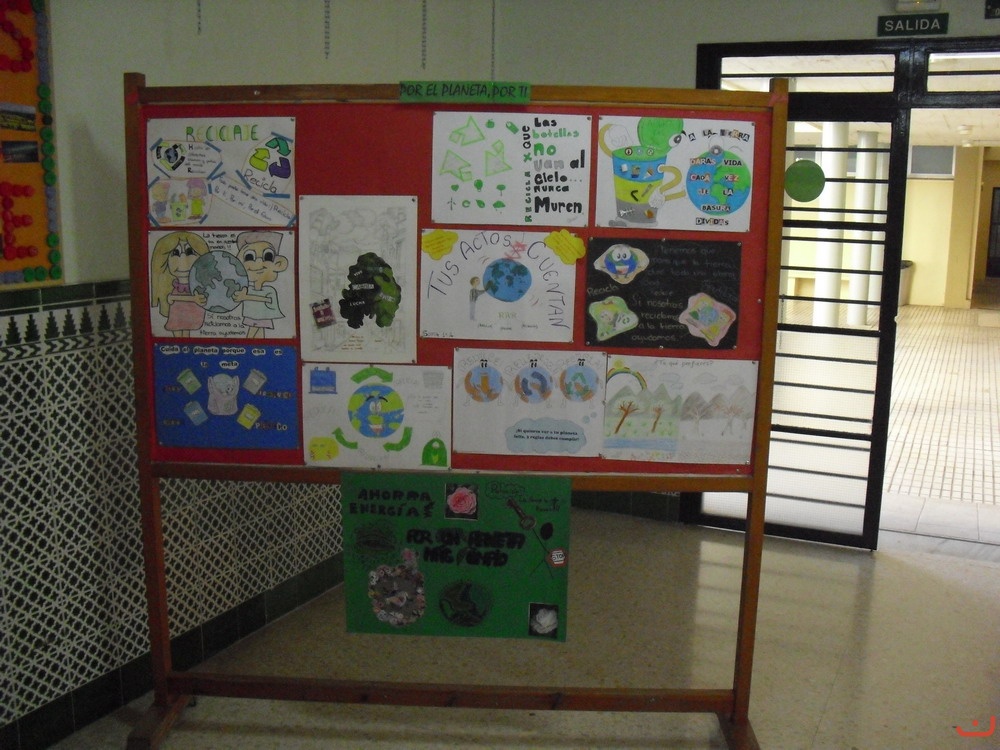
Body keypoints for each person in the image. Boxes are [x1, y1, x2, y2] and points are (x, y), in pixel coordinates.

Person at [149, 231, 209, 336]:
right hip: (176, 318)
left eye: (190, 252)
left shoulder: (197, 286)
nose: (182, 259)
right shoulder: (174, 288)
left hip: (190, 317)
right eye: (175, 253)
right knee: (177, 335)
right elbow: (171, 298)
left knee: (186, 334)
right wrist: (193, 299)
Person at [233, 231, 288, 337]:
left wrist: (246, 297)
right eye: (249, 257)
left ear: (278, 264)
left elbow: (269, 300)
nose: (258, 261)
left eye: (267, 256)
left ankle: (249, 348)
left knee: (252, 335)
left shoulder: (269, 290)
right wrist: (240, 297)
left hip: (261, 316)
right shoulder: (247, 288)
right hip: (252, 315)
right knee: (259, 335)